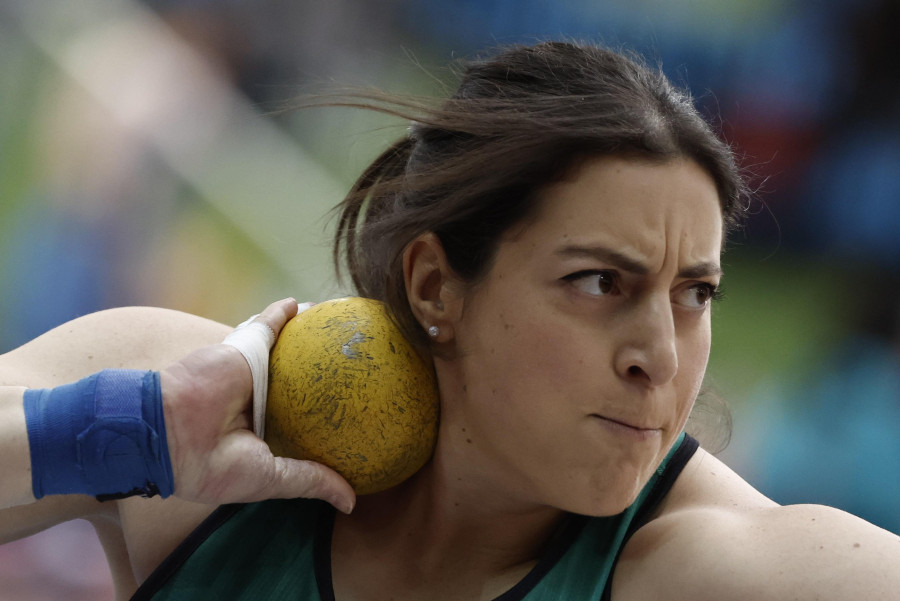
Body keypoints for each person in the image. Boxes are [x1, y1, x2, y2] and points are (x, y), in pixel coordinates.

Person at [1, 41, 898, 600]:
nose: (660, 357)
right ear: (435, 285)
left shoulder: (717, 566)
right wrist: (131, 432)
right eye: (599, 282)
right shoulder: (190, 419)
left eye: (694, 293)